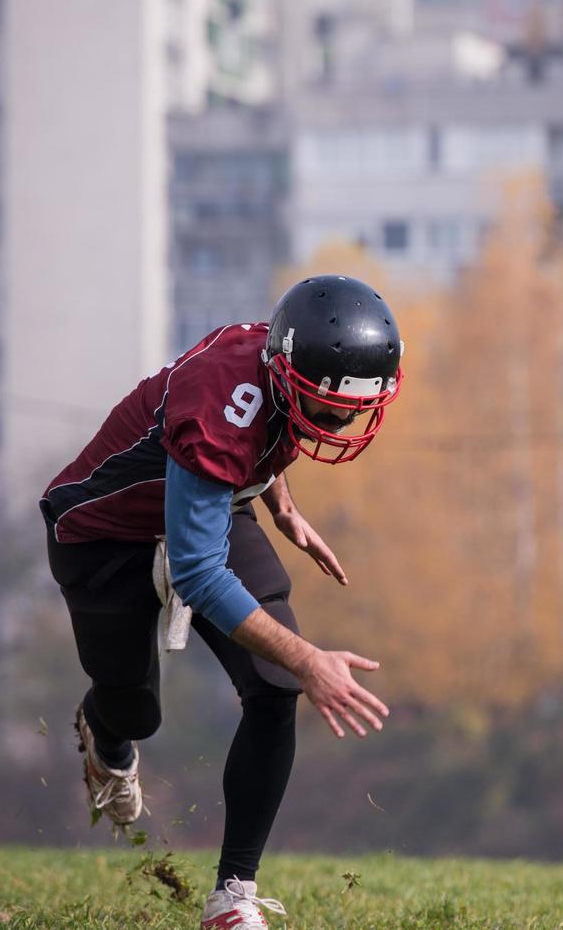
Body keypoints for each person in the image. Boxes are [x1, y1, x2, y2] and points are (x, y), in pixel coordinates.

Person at [39, 275, 403, 929]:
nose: (336, 422)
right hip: (104, 534)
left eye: (345, 409)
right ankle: (105, 731)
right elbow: (200, 571)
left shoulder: (279, 358)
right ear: (286, 372)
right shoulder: (222, 401)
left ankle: (232, 897)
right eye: (325, 409)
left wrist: (282, 506)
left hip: (212, 505)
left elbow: (270, 431)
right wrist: (311, 660)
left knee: (272, 689)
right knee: (136, 710)